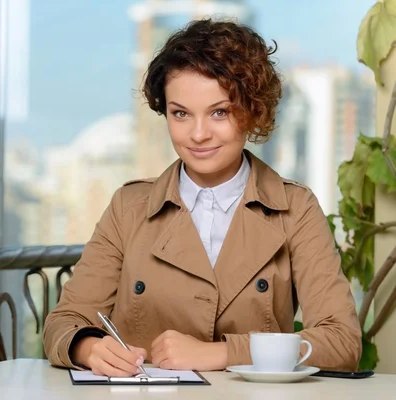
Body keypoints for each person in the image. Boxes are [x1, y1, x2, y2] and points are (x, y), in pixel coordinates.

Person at [42, 18, 362, 376]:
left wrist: (221, 354)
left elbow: (342, 341)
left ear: (254, 111)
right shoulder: (128, 206)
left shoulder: (295, 209)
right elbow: (64, 322)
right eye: (181, 114)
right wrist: (88, 347)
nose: (197, 134)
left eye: (219, 112)